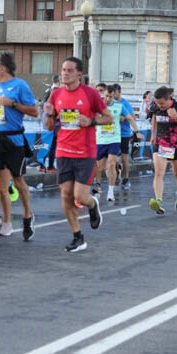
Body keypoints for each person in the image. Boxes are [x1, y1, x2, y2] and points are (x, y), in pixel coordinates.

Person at [43, 57, 110, 252]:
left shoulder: (90, 94)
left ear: (79, 74)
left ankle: (92, 204)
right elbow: (49, 126)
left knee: (80, 196)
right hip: (63, 151)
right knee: (65, 195)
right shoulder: (56, 94)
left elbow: (108, 118)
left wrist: (91, 121)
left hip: (85, 152)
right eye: (63, 70)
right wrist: (48, 114)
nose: (65, 73)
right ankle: (77, 235)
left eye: (70, 70)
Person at [0, 51, 38, 243]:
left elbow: (35, 111)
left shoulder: (19, 86)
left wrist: (13, 104)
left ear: (2, 68)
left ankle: (28, 215)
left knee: (18, 182)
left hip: (14, 141)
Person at [147, 86, 177, 215]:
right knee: (159, 172)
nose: (160, 106)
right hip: (161, 142)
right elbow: (154, 117)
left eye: (162, 104)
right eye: (157, 103)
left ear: (169, 98)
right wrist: (153, 134)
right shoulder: (155, 106)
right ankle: (159, 200)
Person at [111, 84, 141, 189]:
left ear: (119, 91)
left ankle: (126, 178)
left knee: (124, 158)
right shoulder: (110, 103)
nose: (113, 95)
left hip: (124, 133)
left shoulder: (125, 104)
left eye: (115, 92)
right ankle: (117, 172)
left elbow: (129, 117)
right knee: (112, 158)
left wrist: (118, 117)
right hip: (113, 134)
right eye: (112, 92)